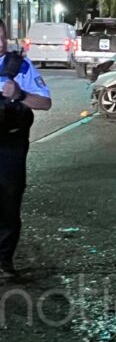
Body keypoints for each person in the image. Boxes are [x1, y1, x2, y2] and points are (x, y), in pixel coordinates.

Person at [0, 19, 52, 279]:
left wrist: (19, 94)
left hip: (10, 145)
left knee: (9, 202)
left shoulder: (20, 66)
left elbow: (45, 103)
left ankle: (4, 261)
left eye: (0, 37)